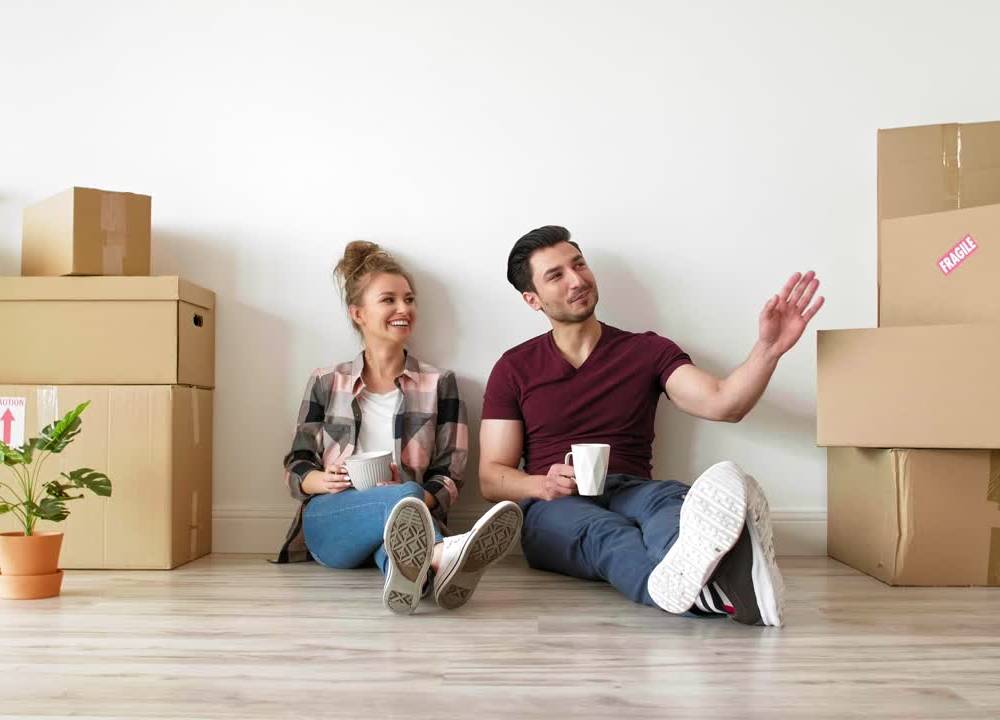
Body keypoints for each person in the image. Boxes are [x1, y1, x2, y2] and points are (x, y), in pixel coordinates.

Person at [478, 226, 824, 626]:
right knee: (606, 533)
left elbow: (724, 404)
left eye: (579, 264)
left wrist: (768, 350)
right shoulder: (514, 367)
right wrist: (539, 484)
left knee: (674, 509)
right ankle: (719, 592)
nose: (577, 280)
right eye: (556, 275)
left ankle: (720, 579)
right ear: (532, 299)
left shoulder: (647, 351)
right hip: (552, 506)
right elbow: (491, 478)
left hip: (636, 489)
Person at [275, 241, 522, 615]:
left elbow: (450, 475)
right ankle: (447, 552)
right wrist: (322, 481)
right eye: (388, 300)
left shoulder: (441, 383)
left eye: (409, 299)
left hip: (410, 522)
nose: (404, 309)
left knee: (401, 541)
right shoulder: (327, 381)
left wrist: (409, 500)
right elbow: (297, 463)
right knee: (405, 495)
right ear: (358, 313)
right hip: (331, 522)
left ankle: (424, 573)